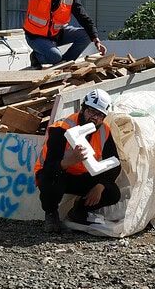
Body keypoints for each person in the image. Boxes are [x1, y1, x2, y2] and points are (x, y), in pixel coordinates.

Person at [34, 89, 121, 233]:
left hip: (83, 176)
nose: (94, 118)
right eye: (91, 112)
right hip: (58, 174)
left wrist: (100, 186)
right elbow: (49, 168)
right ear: (83, 109)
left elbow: (115, 164)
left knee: (112, 192)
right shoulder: (61, 129)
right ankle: (51, 214)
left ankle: (79, 211)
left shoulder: (104, 130)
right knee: (51, 180)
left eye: (100, 115)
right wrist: (69, 161)